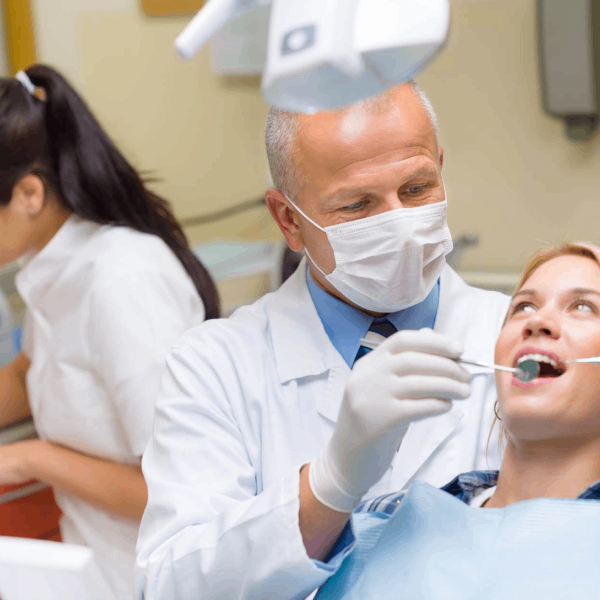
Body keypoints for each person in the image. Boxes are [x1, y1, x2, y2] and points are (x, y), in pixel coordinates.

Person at [136, 82, 510, 600]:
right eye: (357, 205)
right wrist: (329, 484)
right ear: (289, 219)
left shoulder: (513, 340)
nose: (399, 224)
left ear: (440, 167)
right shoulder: (215, 365)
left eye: (417, 188)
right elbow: (171, 586)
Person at [0, 66, 219, 599]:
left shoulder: (123, 282)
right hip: (89, 568)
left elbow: (180, 488)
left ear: (29, 193)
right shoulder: (57, 265)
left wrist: (31, 458)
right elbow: (33, 370)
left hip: (151, 582)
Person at [312, 242, 600, 600]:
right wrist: (337, 470)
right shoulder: (383, 521)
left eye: (583, 306)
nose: (537, 321)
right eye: (523, 306)